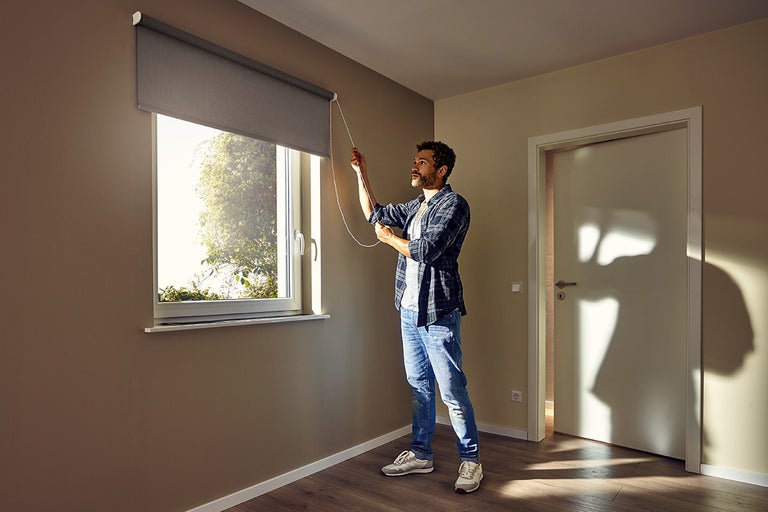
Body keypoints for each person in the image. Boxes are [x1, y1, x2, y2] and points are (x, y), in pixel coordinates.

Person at [350, 141, 483, 493]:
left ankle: (471, 461)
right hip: (409, 310)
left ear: (441, 170)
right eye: (414, 161)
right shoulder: (417, 205)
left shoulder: (454, 205)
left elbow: (426, 250)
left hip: (438, 312)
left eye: (422, 162)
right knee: (419, 387)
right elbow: (374, 213)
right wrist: (360, 172)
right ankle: (421, 454)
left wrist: (390, 239)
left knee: (452, 391)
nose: (415, 167)